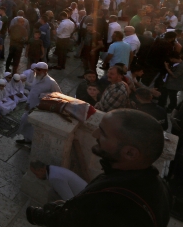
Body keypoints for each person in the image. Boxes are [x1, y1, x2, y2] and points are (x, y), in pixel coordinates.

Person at [25, 109, 170, 227]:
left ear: (130, 153)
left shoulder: (108, 202)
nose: (95, 134)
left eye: (103, 133)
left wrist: (40, 215)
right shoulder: (158, 186)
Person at [17, 62, 61, 145]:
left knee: (34, 126)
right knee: (25, 121)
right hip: (31, 105)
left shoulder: (51, 82)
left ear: (45, 71)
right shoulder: (36, 78)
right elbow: (32, 91)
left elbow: (58, 95)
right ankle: (27, 139)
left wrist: (44, 96)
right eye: (36, 69)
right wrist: (28, 103)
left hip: (40, 108)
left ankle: (34, 143)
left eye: (39, 70)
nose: (36, 71)